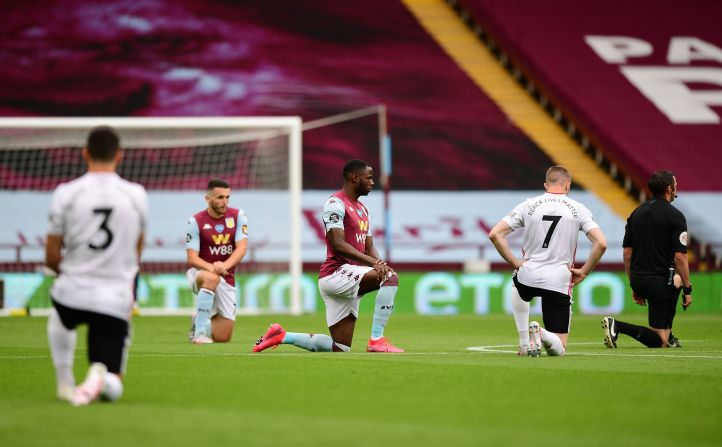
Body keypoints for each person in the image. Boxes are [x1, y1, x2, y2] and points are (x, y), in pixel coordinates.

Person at [253, 159, 403, 353]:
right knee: (390, 278)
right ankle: (377, 339)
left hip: (350, 276)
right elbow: (338, 244)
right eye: (369, 178)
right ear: (354, 177)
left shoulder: (363, 210)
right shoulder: (335, 203)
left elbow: (369, 246)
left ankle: (282, 336)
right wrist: (376, 265)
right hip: (336, 273)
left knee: (340, 347)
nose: (373, 182)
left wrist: (380, 263)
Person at [46, 126, 148, 406]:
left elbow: (51, 256)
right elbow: (136, 250)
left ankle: (65, 380)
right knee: (114, 387)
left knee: (59, 314)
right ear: (119, 155)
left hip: (72, 292)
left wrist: (72, 270)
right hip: (115, 299)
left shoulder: (66, 193)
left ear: (85, 153)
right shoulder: (136, 194)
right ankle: (100, 374)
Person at [488, 166, 607, 357]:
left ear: (546, 185)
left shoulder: (528, 205)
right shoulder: (578, 209)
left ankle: (524, 342)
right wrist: (584, 271)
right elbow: (601, 243)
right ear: (568, 186)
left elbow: (495, 234)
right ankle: (541, 333)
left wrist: (516, 263)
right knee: (559, 350)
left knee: (516, 284)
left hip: (529, 274)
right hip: (558, 280)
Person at [602, 170, 692, 348]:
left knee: (677, 280)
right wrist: (688, 290)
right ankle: (618, 326)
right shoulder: (676, 216)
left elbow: (627, 254)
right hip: (659, 281)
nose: (677, 187)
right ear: (669, 189)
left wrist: (633, 283)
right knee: (660, 341)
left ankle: (668, 331)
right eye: (675, 184)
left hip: (638, 278)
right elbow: (680, 257)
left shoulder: (637, 213)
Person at [186, 179, 248, 344]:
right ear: (208, 199)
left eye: (228, 197)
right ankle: (199, 334)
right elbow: (192, 258)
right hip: (200, 274)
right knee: (211, 278)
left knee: (222, 337)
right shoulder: (196, 221)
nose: (225, 202)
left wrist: (225, 266)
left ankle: (198, 320)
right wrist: (213, 267)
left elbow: (241, 248)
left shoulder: (238, 216)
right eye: (220, 197)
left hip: (226, 277)